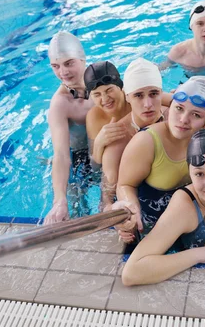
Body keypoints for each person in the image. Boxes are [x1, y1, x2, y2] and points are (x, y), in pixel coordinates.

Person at [119, 130, 205, 286]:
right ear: (190, 174)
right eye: (200, 174)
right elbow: (131, 273)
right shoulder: (184, 208)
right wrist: (200, 254)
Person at [114, 76, 205, 244]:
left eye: (196, 115)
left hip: (183, 213)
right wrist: (131, 210)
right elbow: (125, 184)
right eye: (179, 108)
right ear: (170, 108)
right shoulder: (146, 142)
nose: (184, 119)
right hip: (149, 212)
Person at [98, 58, 166, 207]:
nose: (147, 104)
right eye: (138, 95)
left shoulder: (175, 120)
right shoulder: (118, 140)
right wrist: (122, 222)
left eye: (153, 94)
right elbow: (106, 201)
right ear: (127, 96)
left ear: (161, 93)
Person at [43, 31, 95, 225]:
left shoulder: (103, 82)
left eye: (68, 63)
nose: (62, 72)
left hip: (106, 150)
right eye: (55, 66)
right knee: (76, 210)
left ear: (83, 59)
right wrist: (59, 200)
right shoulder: (60, 104)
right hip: (77, 158)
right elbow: (62, 154)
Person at [85, 61, 132, 170]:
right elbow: (94, 167)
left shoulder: (134, 98)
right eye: (97, 94)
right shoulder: (94, 116)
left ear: (120, 87)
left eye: (109, 90)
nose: (105, 99)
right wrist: (99, 143)